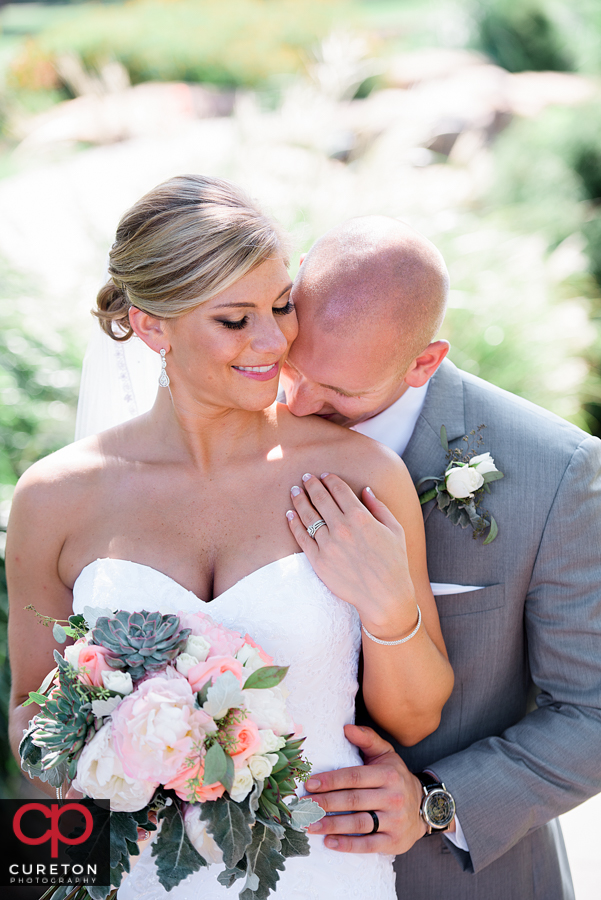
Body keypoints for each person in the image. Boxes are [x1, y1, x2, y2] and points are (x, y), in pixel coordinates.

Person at [6, 176, 454, 899]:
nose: (275, 341)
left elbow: (416, 714)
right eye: (234, 319)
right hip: (140, 879)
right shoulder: (55, 498)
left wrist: (387, 607)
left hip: (320, 869)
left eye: (280, 306)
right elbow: (30, 725)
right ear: (153, 326)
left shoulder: (357, 472)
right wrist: (127, 731)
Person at [279, 215, 601, 900]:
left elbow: (593, 710)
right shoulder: (229, 429)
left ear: (424, 360)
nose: (296, 403)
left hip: (455, 881)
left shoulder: (554, 473)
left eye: (339, 393)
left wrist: (435, 802)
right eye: (289, 366)